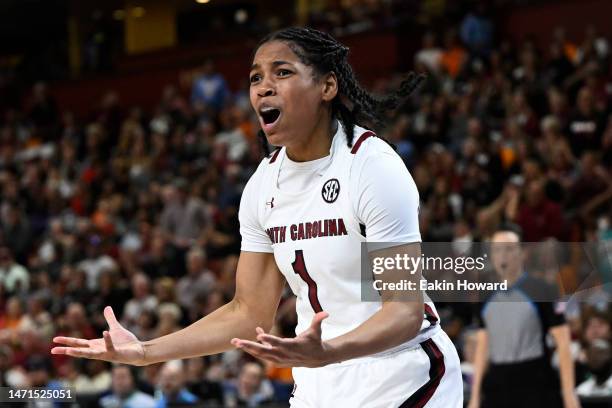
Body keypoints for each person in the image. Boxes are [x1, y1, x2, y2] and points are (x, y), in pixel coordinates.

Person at [52, 26, 462, 407]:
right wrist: (145, 352)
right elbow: (249, 313)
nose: (264, 86)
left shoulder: (372, 167)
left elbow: (404, 311)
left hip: (404, 372)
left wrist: (328, 351)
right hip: (320, 378)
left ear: (327, 86)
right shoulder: (262, 187)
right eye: (255, 78)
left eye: (281, 72)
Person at [468, 224, 580, 408]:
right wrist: (475, 395)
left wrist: (569, 393)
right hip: (497, 383)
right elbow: (483, 344)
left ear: (522, 252)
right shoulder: (485, 295)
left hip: (535, 381)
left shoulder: (543, 289)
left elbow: (562, 340)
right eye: (497, 250)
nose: (503, 256)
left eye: (509, 249)